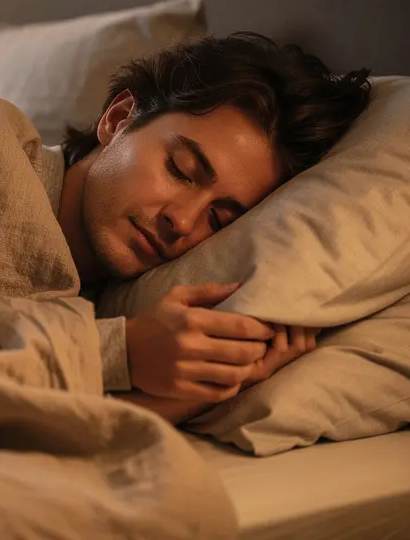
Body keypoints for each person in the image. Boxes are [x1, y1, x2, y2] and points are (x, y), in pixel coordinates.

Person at [54, 32, 372, 422]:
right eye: (181, 171)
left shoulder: (83, 307)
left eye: (219, 219)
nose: (183, 221)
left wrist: (192, 395)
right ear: (119, 119)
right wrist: (118, 352)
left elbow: (0, 427)